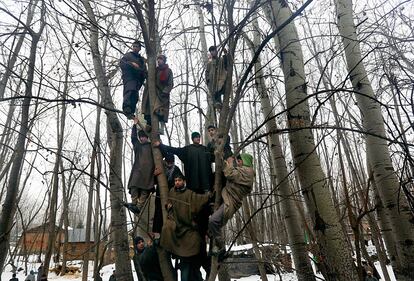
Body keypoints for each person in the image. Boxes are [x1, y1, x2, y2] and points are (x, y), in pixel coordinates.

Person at [160, 174, 212, 281]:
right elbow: (168, 205)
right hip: (177, 228)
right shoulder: (171, 192)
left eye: (179, 180)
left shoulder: (189, 194)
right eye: (175, 181)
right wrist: (168, 206)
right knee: (166, 229)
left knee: (192, 263)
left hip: (188, 230)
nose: (177, 182)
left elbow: (200, 199)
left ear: (184, 181)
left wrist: (209, 195)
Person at [208, 153, 254, 241]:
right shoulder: (242, 171)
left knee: (213, 221)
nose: (238, 163)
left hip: (230, 201)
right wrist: (222, 160)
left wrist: (230, 163)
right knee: (211, 225)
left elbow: (230, 174)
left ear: (245, 161)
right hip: (226, 198)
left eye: (240, 161)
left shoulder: (248, 172)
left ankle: (219, 243)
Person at [124, 119, 159, 214]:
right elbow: (133, 138)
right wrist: (134, 126)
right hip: (138, 170)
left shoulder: (152, 146)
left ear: (146, 137)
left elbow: (158, 157)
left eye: (143, 137)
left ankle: (139, 206)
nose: (142, 139)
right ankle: (134, 203)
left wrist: (157, 168)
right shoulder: (138, 146)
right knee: (133, 185)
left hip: (148, 171)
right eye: (141, 137)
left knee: (145, 189)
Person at [142, 54, 173, 134]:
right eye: (158, 59)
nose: (159, 61)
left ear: (164, 61)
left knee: (160, 111)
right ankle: (149, 124)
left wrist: (165, 92)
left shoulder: (168, 71)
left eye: (161, 59)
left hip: (162, 95)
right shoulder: (154, 70)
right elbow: (148, 77)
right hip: (153, 93)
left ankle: (161, 128)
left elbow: (170, 84)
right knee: (149, 109)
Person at [153, 153, 183, 234]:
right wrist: (154, 175)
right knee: (159, 214)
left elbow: (181, 181)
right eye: (168, 162)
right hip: (160, 195)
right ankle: (159, 232)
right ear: (165, 161)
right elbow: (153, 181)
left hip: (172, 196)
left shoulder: (176, 169)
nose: (170, 164)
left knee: (172, 214)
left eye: (171, 162)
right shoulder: (160, 168)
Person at [120, 40, 147, 119]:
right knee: (129, 92)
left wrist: (142, 78)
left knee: (135, 96)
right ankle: (126, 109)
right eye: (134, 46)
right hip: (129, 78)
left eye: (137, 47)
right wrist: (131, 64)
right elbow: (122, 63)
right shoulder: (128, 55)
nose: (135, 48)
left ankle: (131, 112)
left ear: (140, 48)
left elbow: (144, 71)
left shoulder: (141, 60)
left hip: (137, 81)